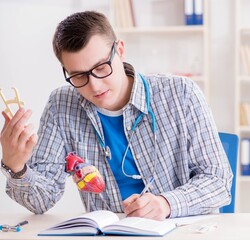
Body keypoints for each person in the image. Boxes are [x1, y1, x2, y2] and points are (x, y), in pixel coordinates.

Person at [0, 11, 233, 220]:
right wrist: (16, 167)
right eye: (79, 76)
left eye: (101, 67)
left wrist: (166, 203)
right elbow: (42, 200)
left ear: (119, 50)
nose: (94, 85)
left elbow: (219, 182)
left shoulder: (180, 93)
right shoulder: (61, 105)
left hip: (181, 230)